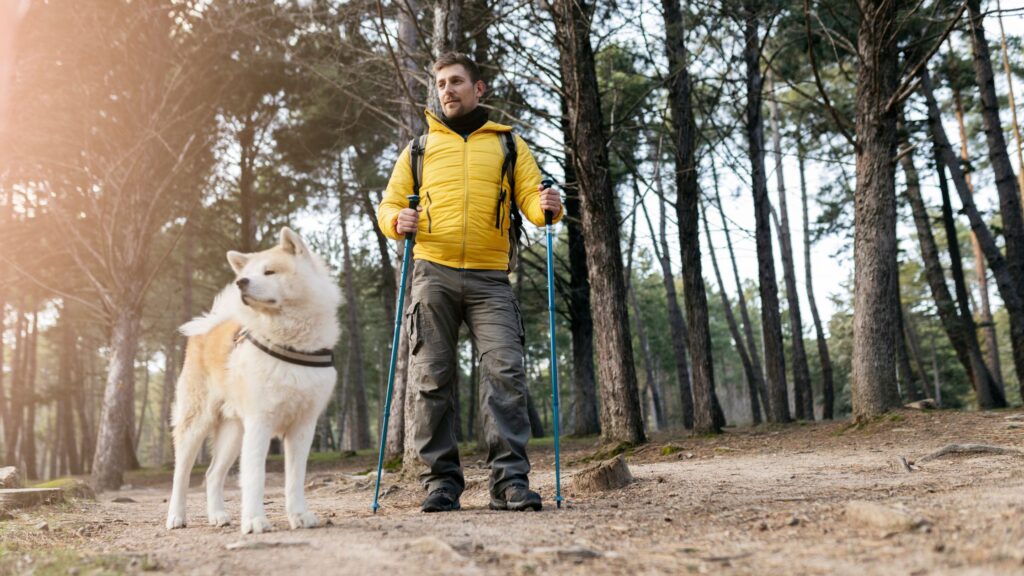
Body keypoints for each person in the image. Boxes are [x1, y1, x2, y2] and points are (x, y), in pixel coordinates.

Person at [377, 52, 562, 513]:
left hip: (491, 278)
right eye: (441, 84)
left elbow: (532, 203)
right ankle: (440, 483)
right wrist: (396, 220)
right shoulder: (419, 149)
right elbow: (388, 207)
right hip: (432, 273)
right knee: (431, 379)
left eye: (456, 81)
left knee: (505, 371)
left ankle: (510, 483)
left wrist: (548, 207)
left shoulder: (509, 146)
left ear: (478, 89)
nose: (447, 90)